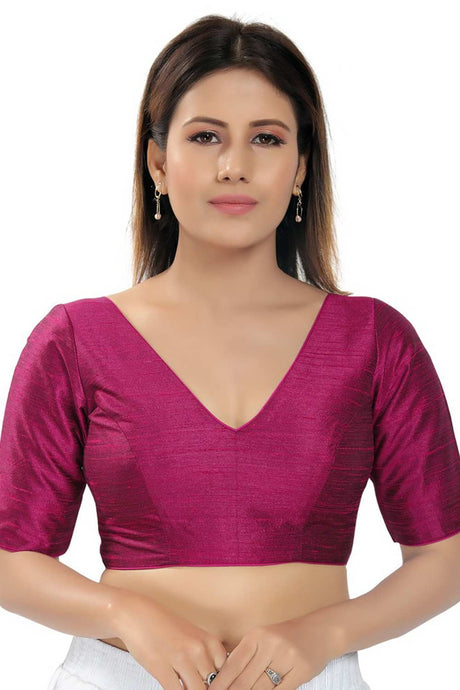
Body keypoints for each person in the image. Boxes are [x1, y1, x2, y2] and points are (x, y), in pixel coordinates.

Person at [1, 12, 460, 690]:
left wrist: (326, 633)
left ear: (301, 167)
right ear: (158, 163)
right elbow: (12, 559)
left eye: (266, 139)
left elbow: (444, 559)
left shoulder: (374, 340)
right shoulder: (74, 340)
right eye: (205, 136)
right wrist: (126, 615)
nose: (234, 166)